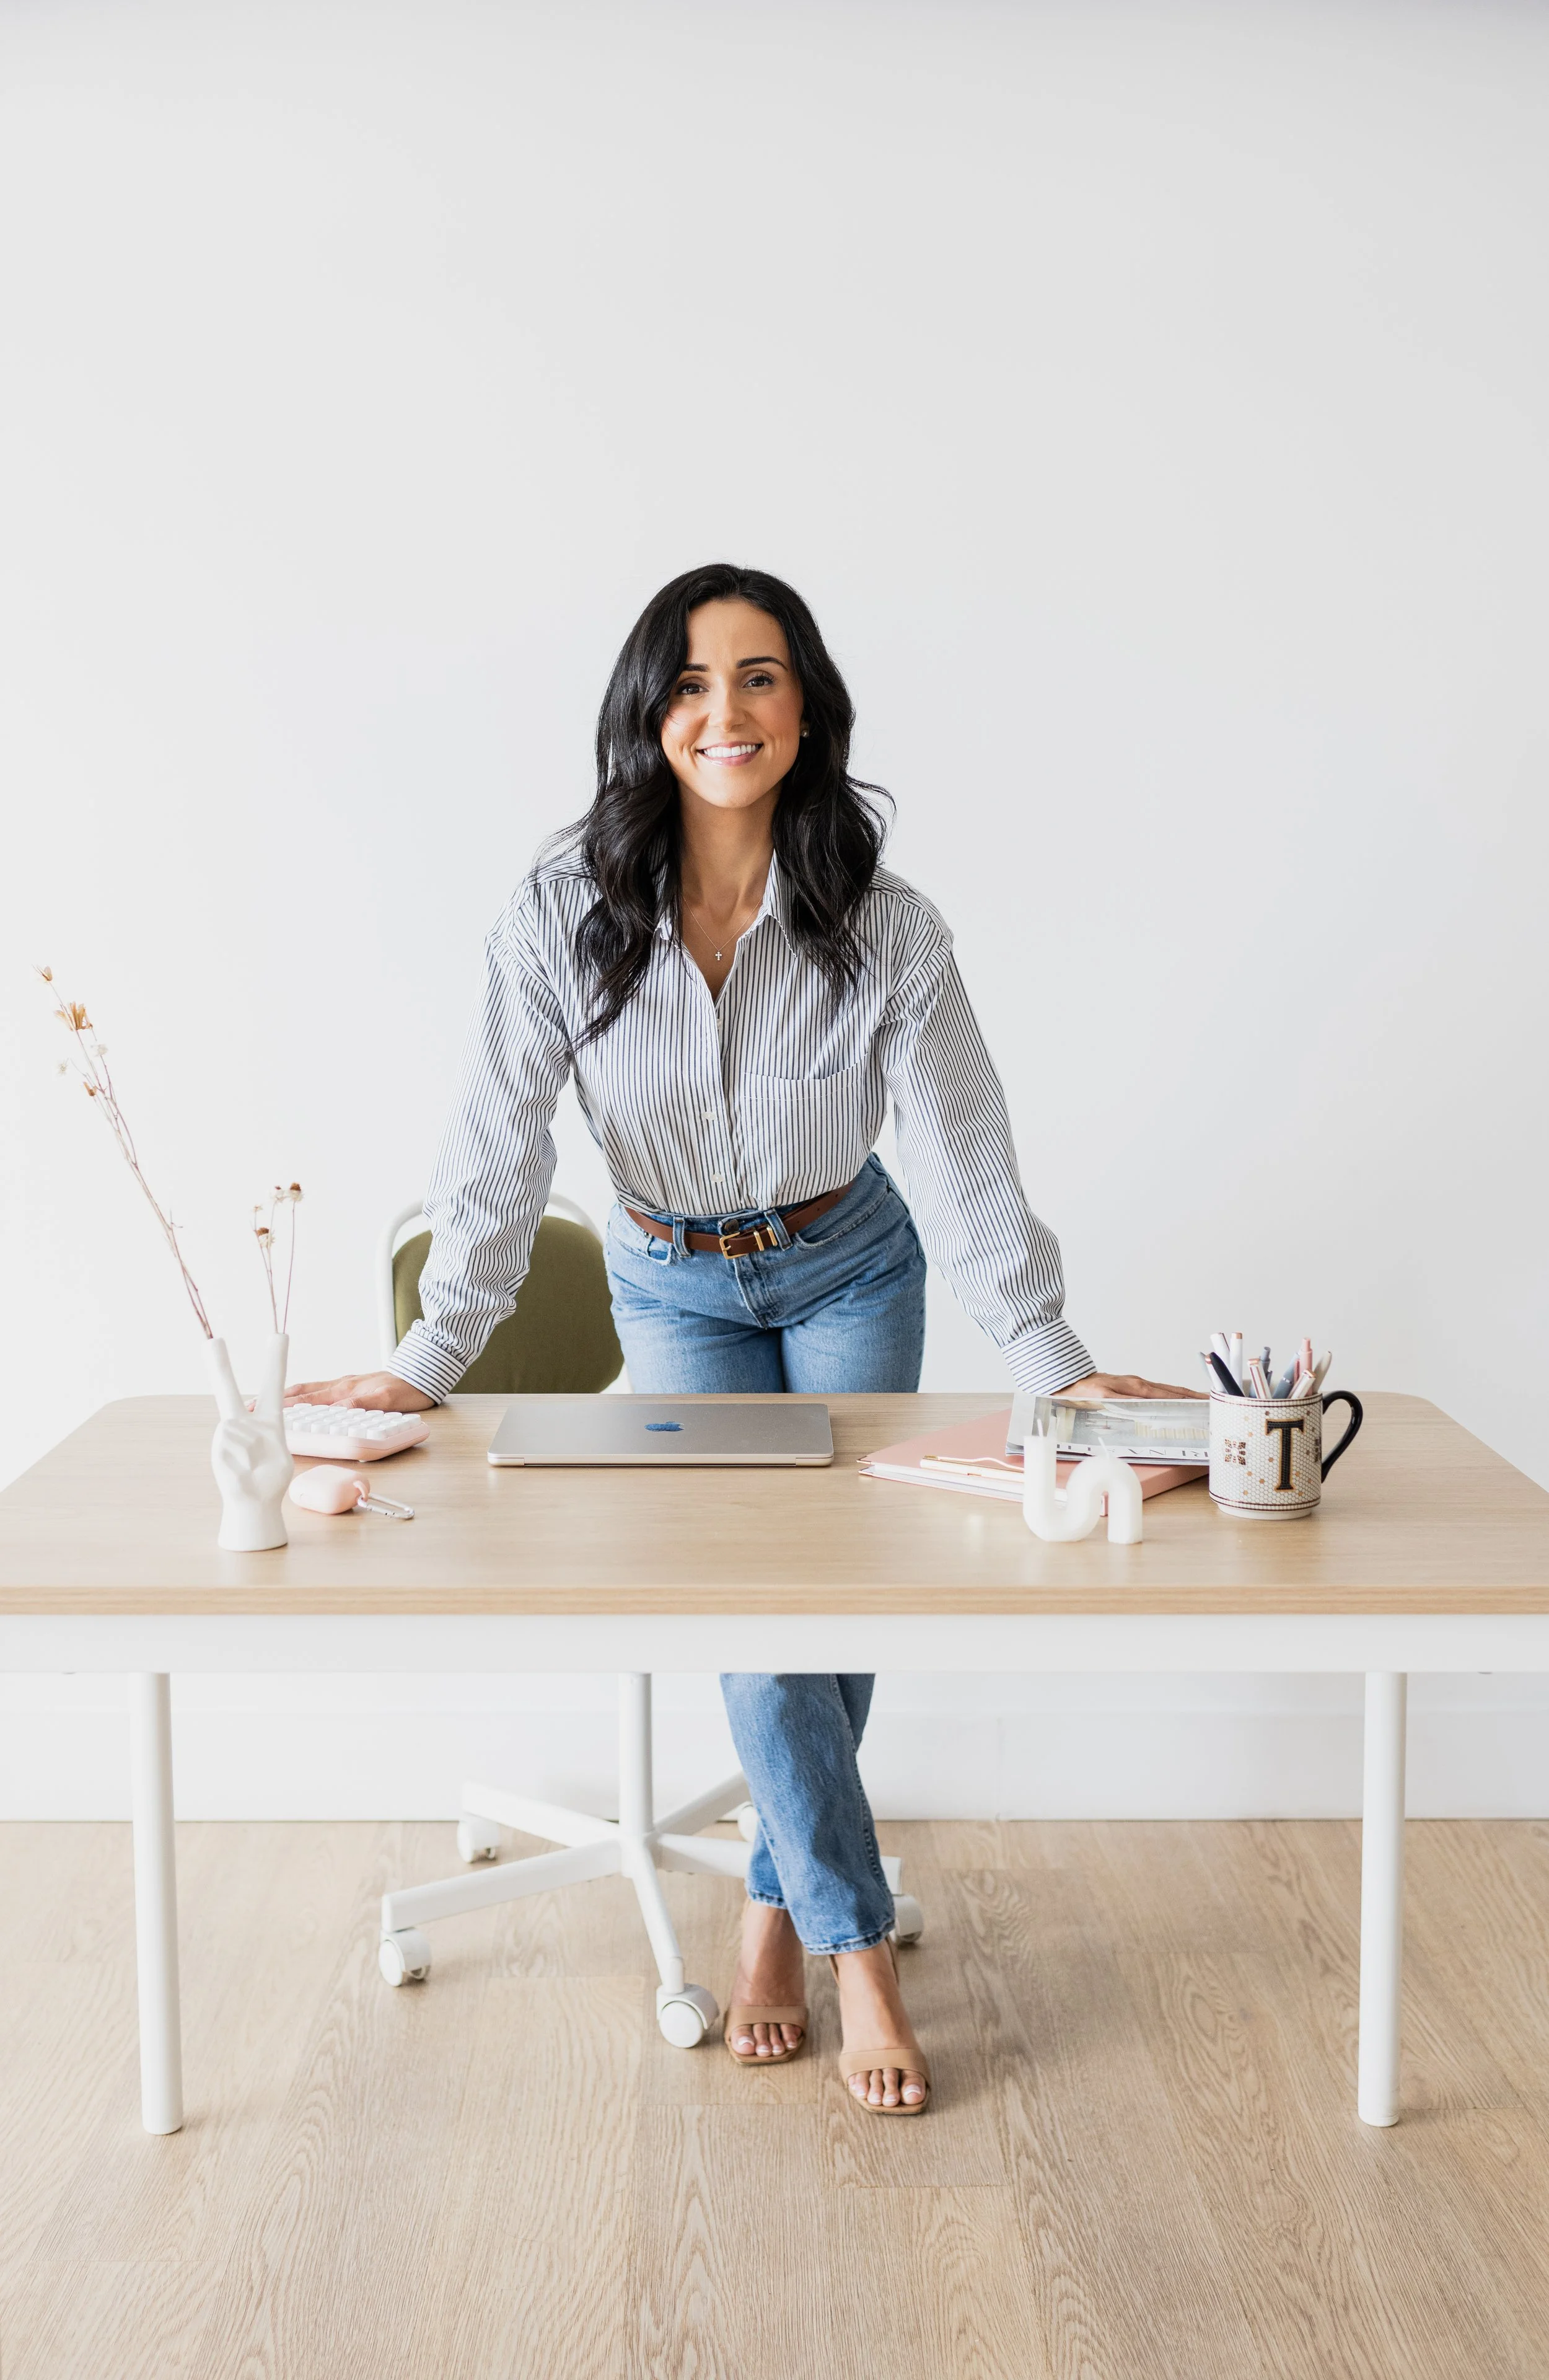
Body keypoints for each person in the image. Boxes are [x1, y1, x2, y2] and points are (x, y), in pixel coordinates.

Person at [289, 562, 1191, 2116]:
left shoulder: (886, 929)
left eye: (760, 677)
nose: (727, 711)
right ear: (648, 714)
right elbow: (495, 1162)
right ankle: (855, 1951)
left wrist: (1051, 1359)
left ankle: (774, 1907)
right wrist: (428, 1358)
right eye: (693, 682)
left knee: (831, 1613)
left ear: (806, 708)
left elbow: (968, 1155)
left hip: (851, 1267)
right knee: (762, 1602)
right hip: (672, 1285)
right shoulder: (556, 918)